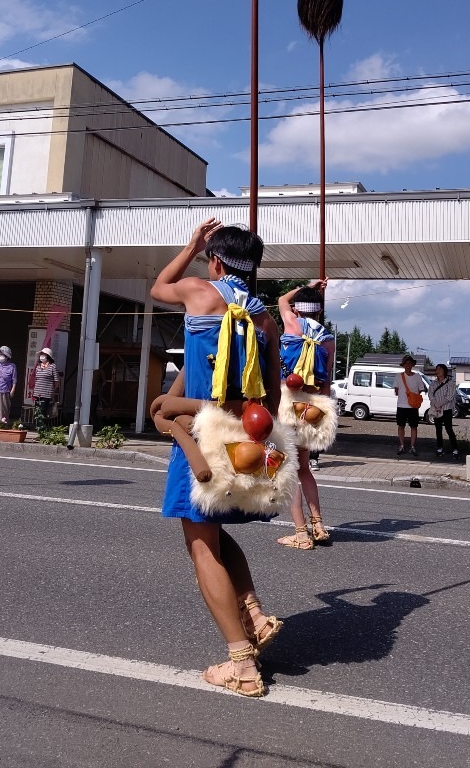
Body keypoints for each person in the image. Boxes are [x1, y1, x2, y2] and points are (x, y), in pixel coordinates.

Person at [151, 219, 282, 698]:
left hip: (200, 441)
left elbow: (158, 286)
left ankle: (241, 662)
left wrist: (190, 244)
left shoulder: (199, 293)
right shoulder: (263, 319)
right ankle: (253, 615)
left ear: (218, 261)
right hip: (241, 442)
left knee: (201, 543)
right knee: (216, 532)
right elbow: (268, 397)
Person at [277, 281, 335, 549]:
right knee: (305, 470)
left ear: (297, 310)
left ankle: (301, 533)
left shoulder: (292, 324)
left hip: (289, 403)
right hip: (313, 406)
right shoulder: (327, 339)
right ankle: (318, 524)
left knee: (290, 470)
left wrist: (307, 286)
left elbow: (281, 299)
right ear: (320, 313)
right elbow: (327, 382)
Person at [394, 354, 426, 456]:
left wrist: (412, 396)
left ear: (412, 365)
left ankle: (412, 446)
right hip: (401, 406)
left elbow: (421, 389)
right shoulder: (398, 376)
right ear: (403, 365)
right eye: (406, 363)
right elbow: (396, 390)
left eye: (409, 363)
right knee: (401, 426)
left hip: (413, 406)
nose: (408, 365)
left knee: (414, 427)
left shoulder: (417, 376)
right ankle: (402, 445)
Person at [428, 363, 459, 459]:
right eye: (436, 369)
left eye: (439, 369)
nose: (437, 371)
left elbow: (449, 396)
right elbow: (430, 394)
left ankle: (455, 449)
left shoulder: (451, 383)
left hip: (446, 409)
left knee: (449, 429)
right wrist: (435, 404)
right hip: (437, 410)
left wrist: (439, 404)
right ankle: (440, 448)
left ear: (444, 371)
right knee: (438, 429)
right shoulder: (433, 383)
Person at [32, 347, 60, 432]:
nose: (41, 356)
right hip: (37, 393)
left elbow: (56, 381)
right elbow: (36, 379)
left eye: (43, 354)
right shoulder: (38, 367)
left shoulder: (52, 367)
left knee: (43, 411)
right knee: (37, 412)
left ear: (48, 356)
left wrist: (52, 389)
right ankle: (38, 429)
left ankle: (42, 431)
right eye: (41, 355)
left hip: (46, 393)